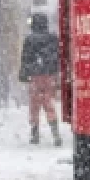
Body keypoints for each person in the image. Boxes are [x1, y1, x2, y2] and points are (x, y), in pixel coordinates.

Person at [19, 14, 62, 146]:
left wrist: (24, 74)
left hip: (35, 76)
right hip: (49, 76)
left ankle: (35, 133)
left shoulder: (30, 39)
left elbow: (25, 58)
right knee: (49, 104)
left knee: (34, 106)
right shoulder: (53, 38)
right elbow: (58, 56)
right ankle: (55, 133)